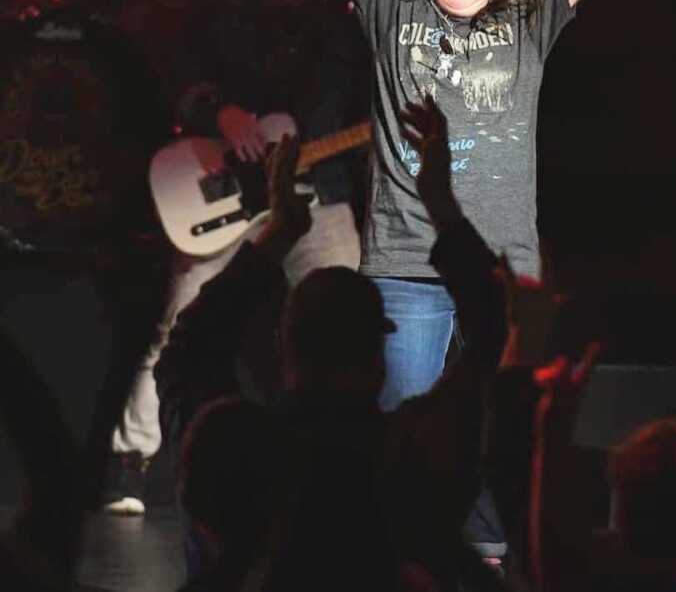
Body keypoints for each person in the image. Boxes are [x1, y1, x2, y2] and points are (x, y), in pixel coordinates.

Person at [282, 0, 676, 411]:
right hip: (405, 265)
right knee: (405, 430)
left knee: (499, 437)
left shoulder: (530, 17)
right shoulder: (394, 4)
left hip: (504, 270)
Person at [155, 103, 510, 589]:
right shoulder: (412, 453)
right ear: (379, 357)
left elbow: (187, 350)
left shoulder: (233, 450)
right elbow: (493, 329)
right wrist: (440, 203)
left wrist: (278, 232)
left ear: (285, 347)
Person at [103, 0, 371, 515]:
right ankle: (132, 459)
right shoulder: (222, 16)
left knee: (338, 315)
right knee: (178, 315)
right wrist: (220, 111)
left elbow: (360, 106)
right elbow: (182, 82)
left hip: (317, 190)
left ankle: (331, 472)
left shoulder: (342, 32)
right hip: (227, 188)